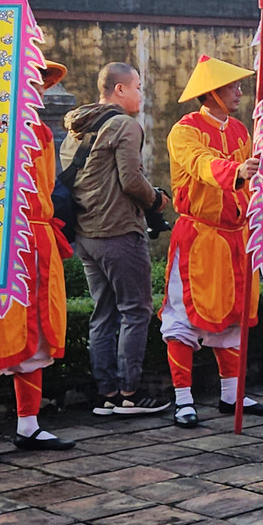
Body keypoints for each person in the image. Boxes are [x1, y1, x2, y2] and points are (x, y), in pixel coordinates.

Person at [0, 63, 77, 465]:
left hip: (37, 242)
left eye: (38, 85)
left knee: (38, 336)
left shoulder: (42, 132)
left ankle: (29, 425)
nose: (36, 92)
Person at [162, 55, 263, 428]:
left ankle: (232, 393)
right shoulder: (185, 131)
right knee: (182, 316)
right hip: (199, 235)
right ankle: (182, 399)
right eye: (232, 86)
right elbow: (199, 162)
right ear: (212, 93)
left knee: (233, 316)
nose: (240, 91)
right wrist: (236, 171)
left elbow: (254, 174)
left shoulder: (242, 131)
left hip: (235, 234)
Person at [62, 62, 170, 415]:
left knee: (103, 313)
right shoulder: (124, 125)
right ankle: (129, 393)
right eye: (137, 86)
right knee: (136, 311)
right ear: (119, 90)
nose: (142, 93)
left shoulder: (78, 126)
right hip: (119, 232)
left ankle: (106, 394)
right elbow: (131, 181)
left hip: (87, 235)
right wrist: (157, 200)